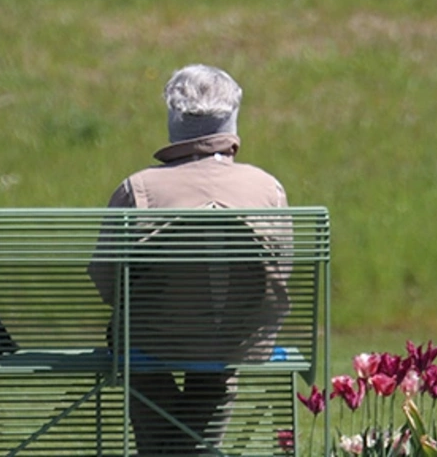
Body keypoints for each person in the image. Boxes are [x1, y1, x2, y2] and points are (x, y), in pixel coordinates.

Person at [88, 64, 290, 456]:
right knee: (219, 356)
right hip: (235, 340)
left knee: (136, 345)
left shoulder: (138, 189)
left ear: (173, 118)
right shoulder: (267, 189)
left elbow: (107, 282)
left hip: (151, 340)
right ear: (231, 118)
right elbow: (279, 275)